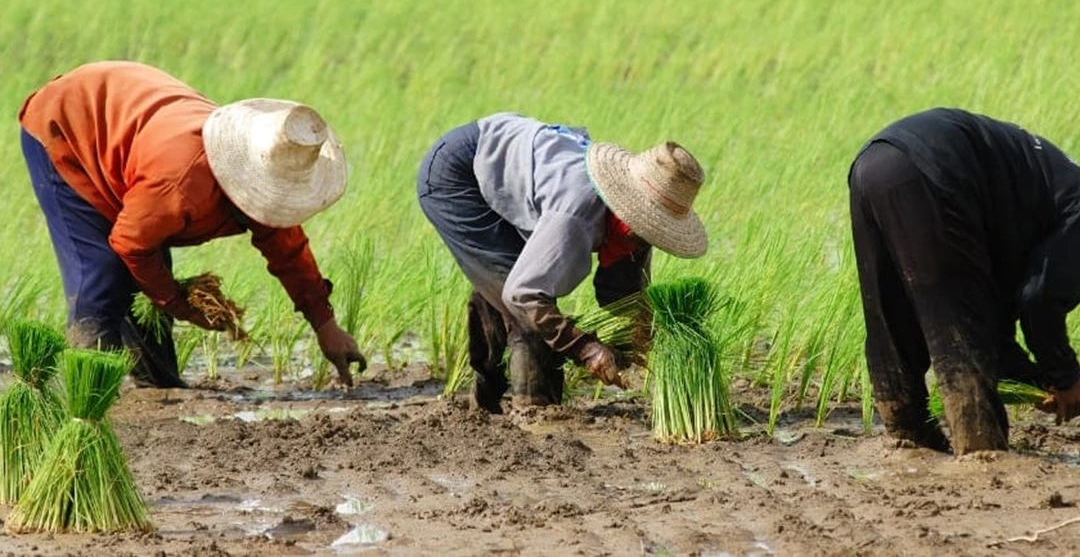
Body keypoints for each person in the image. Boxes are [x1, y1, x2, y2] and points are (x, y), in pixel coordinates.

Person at [848, 108, 1080, 455]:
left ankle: (907, 439)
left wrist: (1038, 383)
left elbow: (996, 324)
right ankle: (981, 454)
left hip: (872, 163)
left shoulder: (1056, 195)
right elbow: (1039, 302)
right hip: (934, 170)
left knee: (891, 318)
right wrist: (1069, 379)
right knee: (960, 339)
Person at [19, 61, 367, 388]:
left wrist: (326, 326)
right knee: (103, 276)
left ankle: (158, 388)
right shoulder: (183, 182)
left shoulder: (267, 182)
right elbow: (131, 243)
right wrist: (178, 303)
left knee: (145, 287)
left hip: (131, 143)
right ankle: (88, 406)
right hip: (68, 125)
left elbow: (289, 251)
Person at [417, 113, 707, 412]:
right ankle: (534, 411)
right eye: (648, 227)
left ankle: (486, 403)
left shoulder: (633, 229)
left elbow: (621, 292)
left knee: (508, 281)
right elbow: (524, 295)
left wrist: (642, 330)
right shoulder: (576, 216)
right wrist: (588, 350)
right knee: (525, 311)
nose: (648, 237)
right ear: (629, 212)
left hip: (508, 160)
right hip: (458, 175)